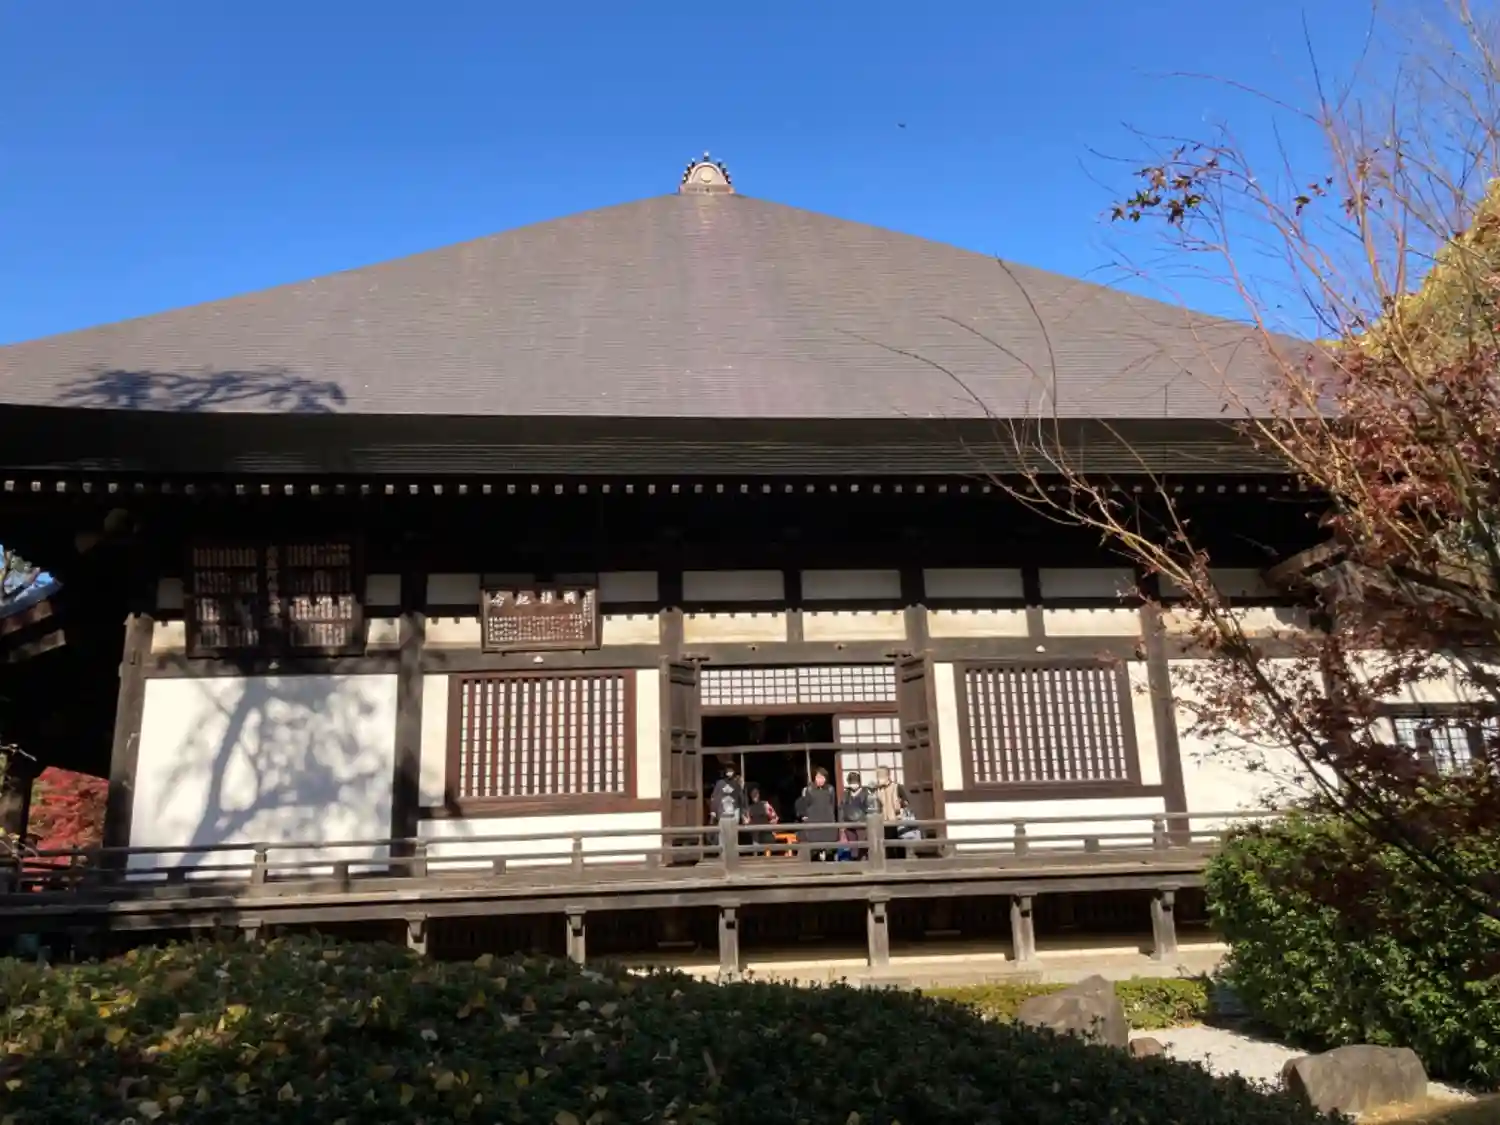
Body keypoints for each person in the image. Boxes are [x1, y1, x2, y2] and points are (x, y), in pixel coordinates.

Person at [793, 766, 837, 862]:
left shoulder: (830, 789)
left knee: (829, 847)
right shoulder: (809, 790)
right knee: (814, 847)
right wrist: (805, 816)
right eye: (818, 777)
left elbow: (832, 804)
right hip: (814, 818)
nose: (820, 780)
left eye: (822, 777)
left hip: (827, 818)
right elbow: (806, 804)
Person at [871, 765, 911, 858]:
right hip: (883, 821)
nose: (879, 779)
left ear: (888, 776)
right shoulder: (877, 790)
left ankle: (901, 862)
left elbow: (906, 802)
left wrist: (900, 803)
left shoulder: (897, 787)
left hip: (896, 820)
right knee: (887, 846)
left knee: (899, 845)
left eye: (881, 776)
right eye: (878, 776)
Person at [709, 762, 746, 856]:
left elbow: (741, 799)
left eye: (731, 770)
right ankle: (723, 854)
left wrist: (743, 813)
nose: (729, 772)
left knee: (733, 835)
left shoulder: (736, 784)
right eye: (728, 769)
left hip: (734, 812)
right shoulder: (720, 783)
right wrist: (713, 811)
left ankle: (733, 854)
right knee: (722, 834)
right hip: (722, 812)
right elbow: (715, 798)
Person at [838, 771, 876, 860]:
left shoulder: (865, 793)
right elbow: (841, 808)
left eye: (855, 782)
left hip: (862, 824)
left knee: (863, 846)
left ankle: (863, 861)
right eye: (851, 782)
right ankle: (855, 862)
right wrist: (841, 824)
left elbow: (870, 808)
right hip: (849, 824)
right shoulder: (846, 794)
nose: (853, 784)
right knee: (853, 847)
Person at [744, 785, 779, 855]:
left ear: (759, 795)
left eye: (756, 794)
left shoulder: (765, 805)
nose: (754, 796)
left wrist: (772, 828)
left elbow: (775, 817)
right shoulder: (749, 808)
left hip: (765, 831)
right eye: (753, 794)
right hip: (754, 833)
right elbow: (747, 822)